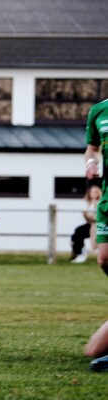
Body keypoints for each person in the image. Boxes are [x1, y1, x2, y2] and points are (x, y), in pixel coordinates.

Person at [84, 97, 108, 275]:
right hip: (106, 194)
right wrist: (91, 163)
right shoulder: (98, 110)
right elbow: (92, 149)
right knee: (104, 259)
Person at [71, 185, 101, 263]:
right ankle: (80, 252)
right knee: (76, 233)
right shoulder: (88, 203)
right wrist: (86, 216)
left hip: (98, 226)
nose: (93, 194)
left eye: (95, 192)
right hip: (90, 224)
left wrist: (89, 216)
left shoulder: (101, 203)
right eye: (91, 192)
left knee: (79, 232)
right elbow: (89, 217)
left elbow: (99, 217)